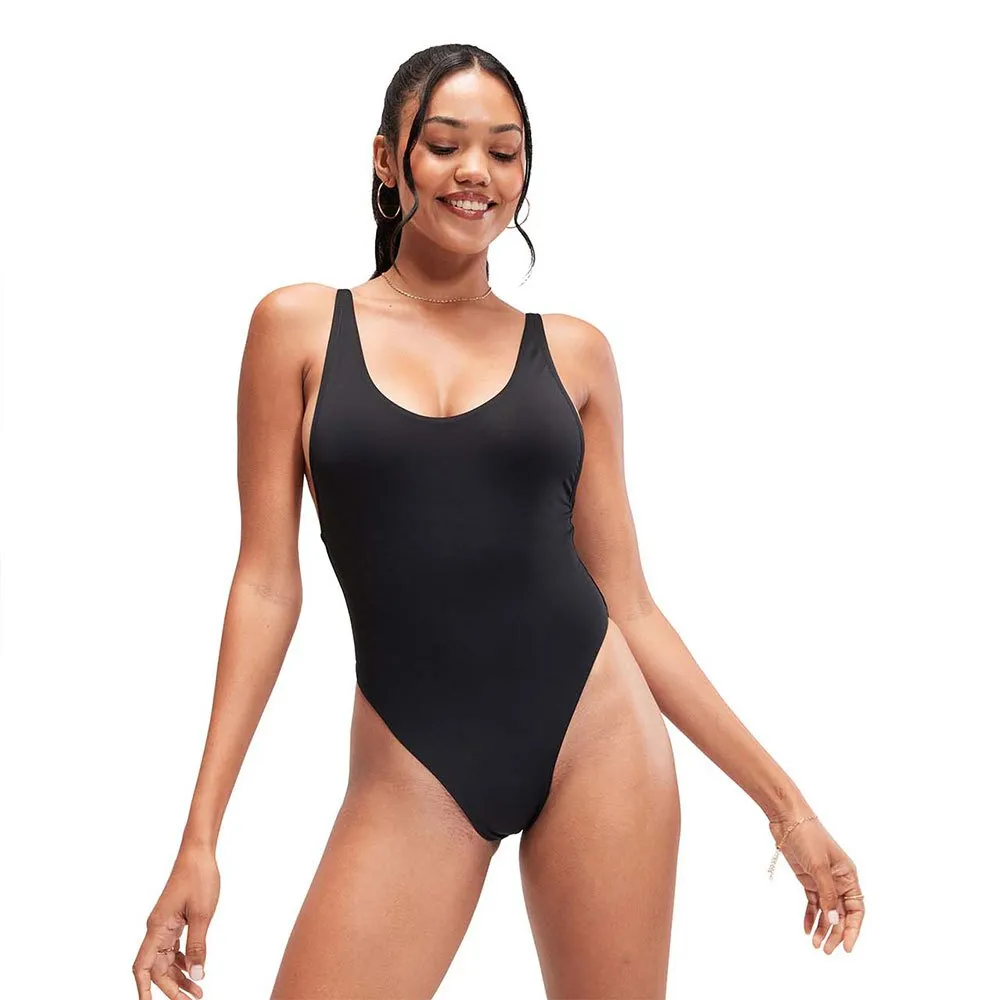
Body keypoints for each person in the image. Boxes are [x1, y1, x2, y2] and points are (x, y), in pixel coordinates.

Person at [133, 42, 865, 1000]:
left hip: (598, 734)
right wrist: (201, 837)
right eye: (444, 145)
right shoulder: (298, 329)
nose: (475, 171)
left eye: (504, 151)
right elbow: (266, 584)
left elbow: (630, 605)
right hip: (413, 762)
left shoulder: (575, 353)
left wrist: (786, 808)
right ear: (388, 160)